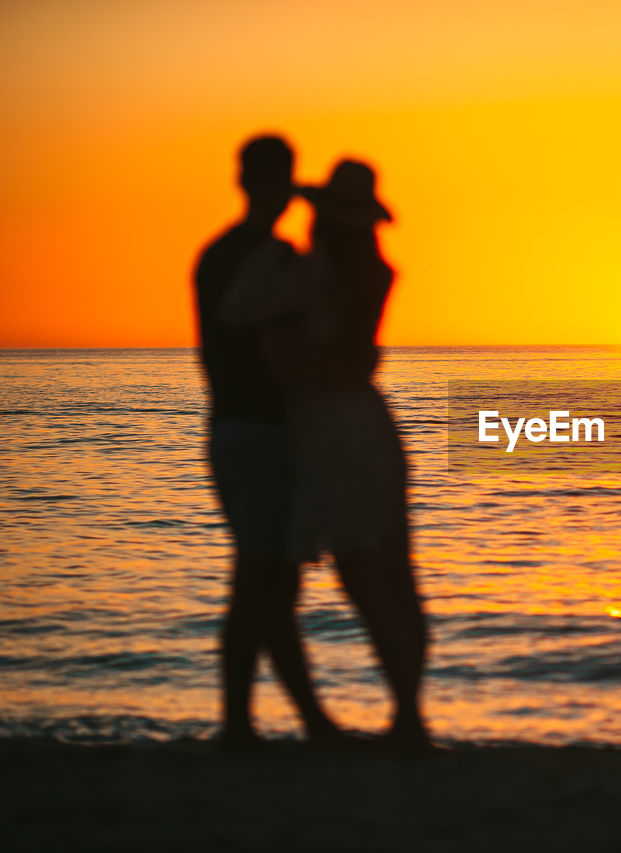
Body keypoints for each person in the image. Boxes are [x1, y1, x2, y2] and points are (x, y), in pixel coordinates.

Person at [222, 159, 428, 746]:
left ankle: (408, 722)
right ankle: (409, 713)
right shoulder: (376, 270)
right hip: (369, 418)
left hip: (330, 429)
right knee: (396, 577)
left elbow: (239, 312)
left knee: (365, 577)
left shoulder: (313, 273)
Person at [193, 134, 342, 747]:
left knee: (272, 579)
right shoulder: (266, 257)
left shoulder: (218, 253)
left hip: (234, 424)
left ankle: (300, 721)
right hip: (258, 430)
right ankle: (240, 724)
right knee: (261, 577)